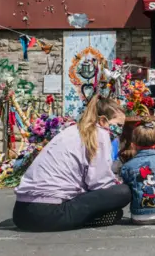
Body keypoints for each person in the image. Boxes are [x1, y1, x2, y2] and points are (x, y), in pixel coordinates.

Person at [12, 96, 131, 232]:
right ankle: (90, 218)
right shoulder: (100, 134)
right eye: (119, 125)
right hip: (48, 213)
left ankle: (88, 216)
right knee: (123, 192)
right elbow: (99, 183)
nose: (120, 131)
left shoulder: (72, 130)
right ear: (103, 121)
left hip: (21, 213)